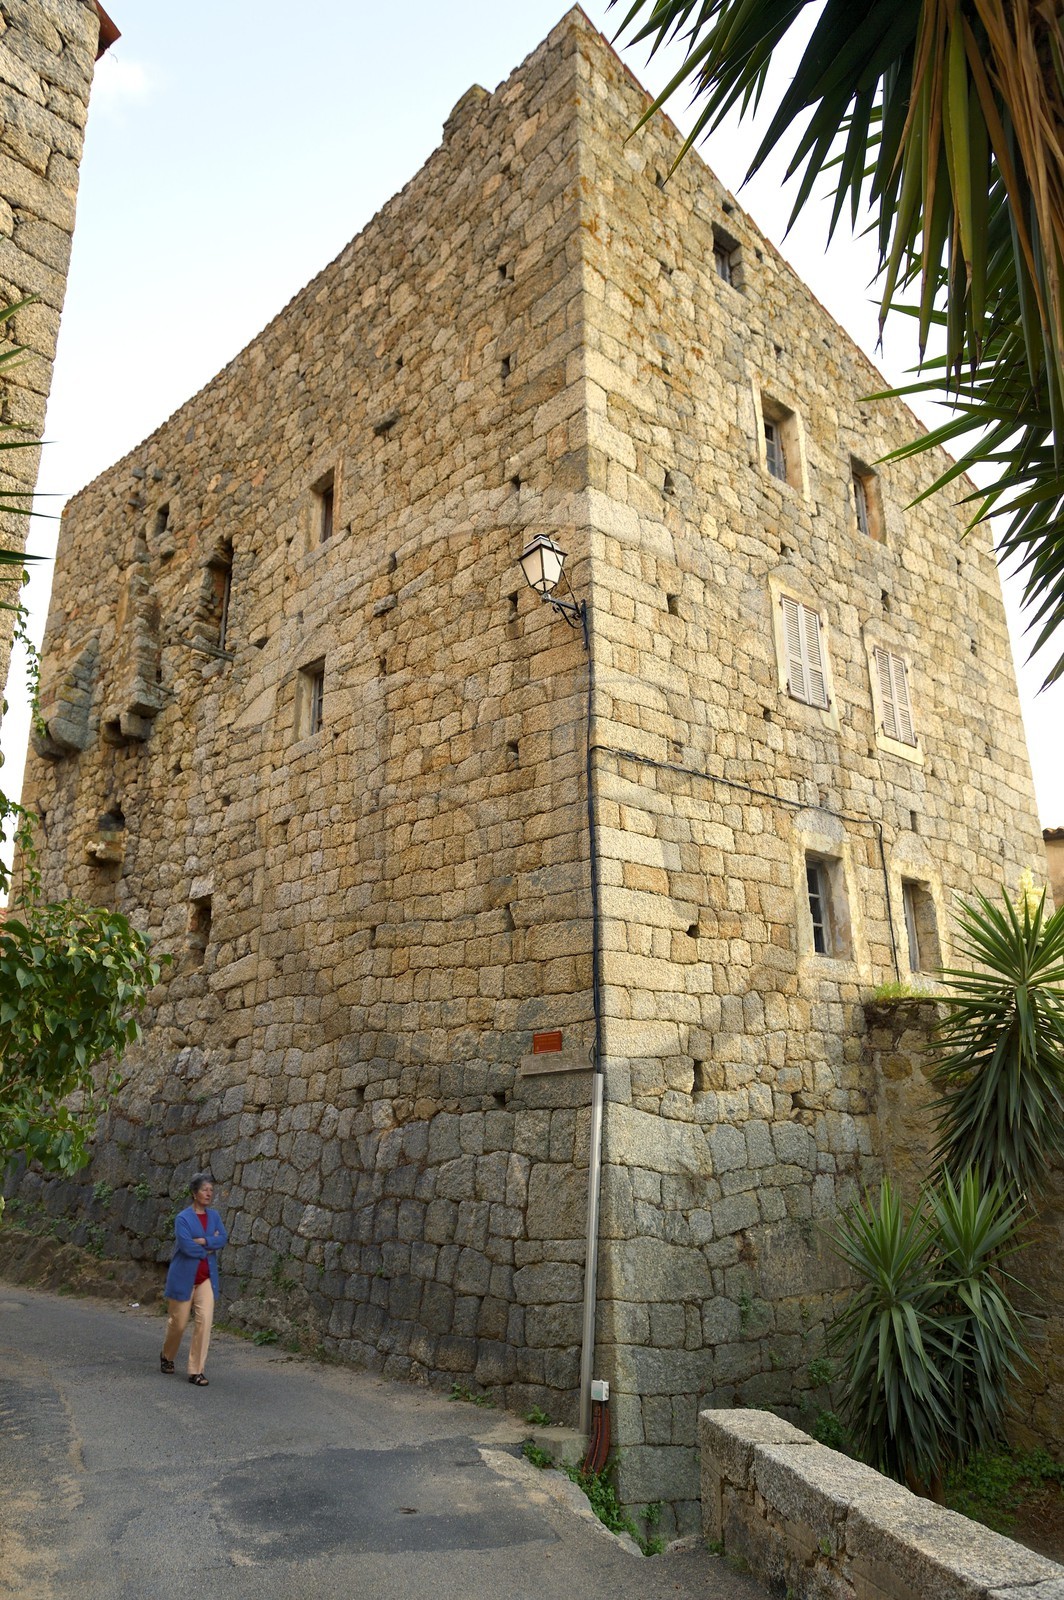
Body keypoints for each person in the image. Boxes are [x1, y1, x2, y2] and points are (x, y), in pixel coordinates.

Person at [160, 1173, 227, 1386]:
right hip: (183, 1278)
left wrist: (203, 1241)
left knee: (204, 1321)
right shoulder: (183, 1218)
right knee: (178, 1324)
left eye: (211, 1190)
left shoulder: (214, 1216)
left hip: (206, 1278)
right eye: (204, 1189)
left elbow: (222, 1238)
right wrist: (208, 1247)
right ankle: (167, 1356)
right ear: (194, 1193)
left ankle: (196, 1371)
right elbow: (186, 1245)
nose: (209, 1193)